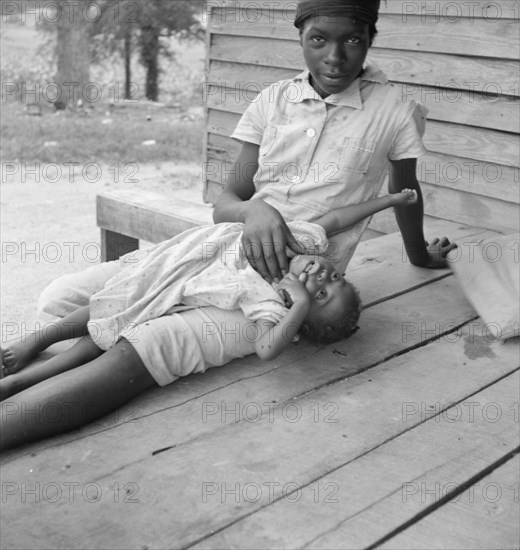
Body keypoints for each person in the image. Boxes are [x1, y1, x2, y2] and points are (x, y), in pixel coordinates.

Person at [1, 0, 456, 449]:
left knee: (141, 347)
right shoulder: (272, 100)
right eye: (318, 39)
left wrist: (419, 255)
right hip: (220, 247)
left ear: (371, 39)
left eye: (353, 40)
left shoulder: (393, 110)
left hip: (276, 285)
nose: (334, 57)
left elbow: (406, 190)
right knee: (61, 297)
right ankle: (49, 373)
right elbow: (226, 203)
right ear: (299, 35)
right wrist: (253, 211)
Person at [1, 189, 418, 406]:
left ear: (299, 309)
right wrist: (391, 200)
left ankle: (23, 380)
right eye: (337, 277)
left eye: (321, 294)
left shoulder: (268, 299)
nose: (323, 275)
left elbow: (267, 348)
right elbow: (339, 217)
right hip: (177, 255)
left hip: (172, 288)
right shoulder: (305, 240)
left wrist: (299, 303)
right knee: (108, 300)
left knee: (110, 322)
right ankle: (35, 341)